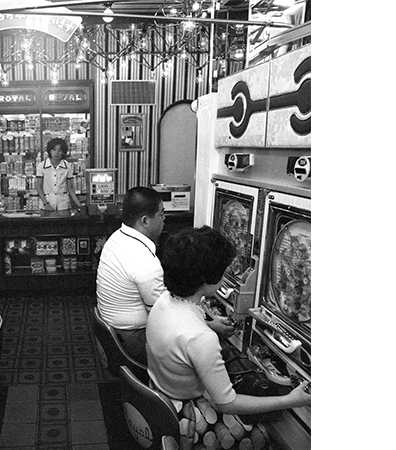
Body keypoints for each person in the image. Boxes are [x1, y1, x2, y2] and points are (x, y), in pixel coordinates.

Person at [146, 226, 310, 420]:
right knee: (265, 432)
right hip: (186, 414)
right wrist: (290, 400)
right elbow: (227, 404)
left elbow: (180, 336)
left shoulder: (163, 301)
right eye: (222, 271)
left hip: (158, 393)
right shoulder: (201, 338)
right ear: (207, 278)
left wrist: (209, 326)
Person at [96, 187, 235, 365]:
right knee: (218, 351)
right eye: (161, 214)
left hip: (115, 331)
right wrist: (210, 326)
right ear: (145, 221)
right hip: (133, 339)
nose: (164, 219)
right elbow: (166, 318)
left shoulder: (117, 237)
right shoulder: (143, 260)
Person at [36, 137, 82, 211]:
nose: (56, 152)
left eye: (60, 150)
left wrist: (79, 205)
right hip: (47, 204)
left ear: (63, 152)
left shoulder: (67, 166)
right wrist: (45, 204)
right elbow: (39, 187)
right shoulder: (42, 166)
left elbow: (70, 188)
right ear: (50, 151)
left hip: (63, 205)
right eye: (54, 149)